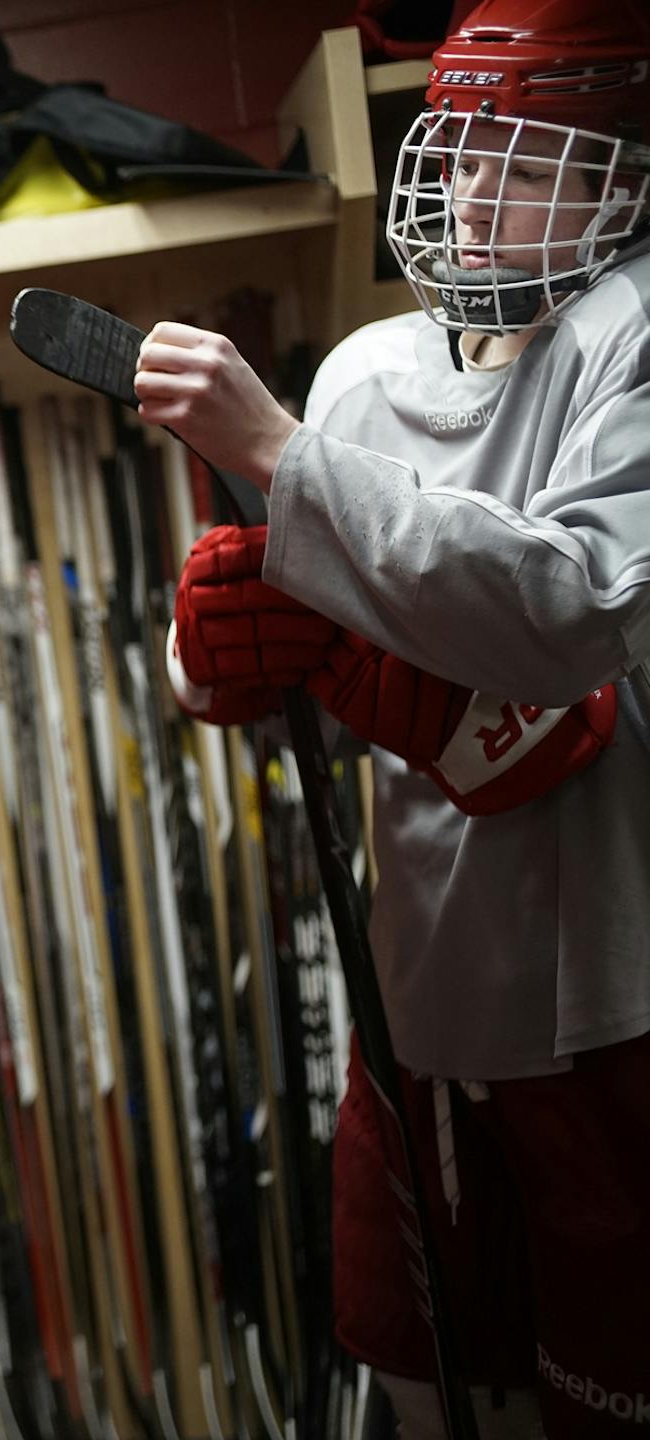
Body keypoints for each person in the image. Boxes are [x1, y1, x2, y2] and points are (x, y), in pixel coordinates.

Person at [139, 1, 650, 1435]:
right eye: (464, 147)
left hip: (615, 996)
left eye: (529, 158)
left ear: (627, 171)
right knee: (425, 1392)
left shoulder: (634, 335)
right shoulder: (369, 370)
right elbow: (299, 641)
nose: (479, 193)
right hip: (422, 995)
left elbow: (571, 613)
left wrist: (279, 455)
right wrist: (215, 664)